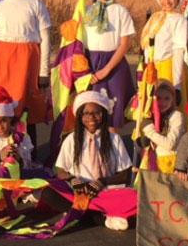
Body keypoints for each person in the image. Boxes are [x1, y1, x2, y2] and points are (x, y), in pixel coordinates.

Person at [0, 0, 52, 152]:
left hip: (28, 60)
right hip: (3, 61)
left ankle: (29, 153)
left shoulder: (36, 4)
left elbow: (45, 38)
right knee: (3, 108)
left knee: (26, 109)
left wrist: (44, 71)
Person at [46, 90, 136, 231]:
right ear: (80, 116)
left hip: (105, 192)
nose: (91, 118)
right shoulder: (71, 139)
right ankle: (103, 218)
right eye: (86, 113)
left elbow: (125, 175)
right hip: (80, 192)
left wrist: (102, 182)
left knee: (135, 197)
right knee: (49, 194)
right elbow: (61, 172)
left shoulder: (114, 139)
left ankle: (80, 213)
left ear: (104, 115)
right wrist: (72, 180)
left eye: (97, 113)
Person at [84, 0, 136, 129]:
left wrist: (106, 69)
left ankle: (112, 151)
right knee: (92, 113)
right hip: (91, 64)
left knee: (112, 115)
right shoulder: (87, 11)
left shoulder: (121, 11)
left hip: (114, 64)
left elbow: (125, 44)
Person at [140, 0, 188, 111]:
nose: (166, 1)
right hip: (153, 68)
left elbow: (179, 51)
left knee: (168, 108)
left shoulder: (179, 20)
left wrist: (177, 84)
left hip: (169, 69)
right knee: (153, 107)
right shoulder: (155, 17)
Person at [138, 80, 185, 174]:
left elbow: (169, 145)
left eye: (167, 98)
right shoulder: (149, 116)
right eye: (158, 98)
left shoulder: (176, 116)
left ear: (173, 99)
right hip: (153, 162)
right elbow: (144, 145)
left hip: (171, 163)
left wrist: (149, 131)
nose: (162, 102)